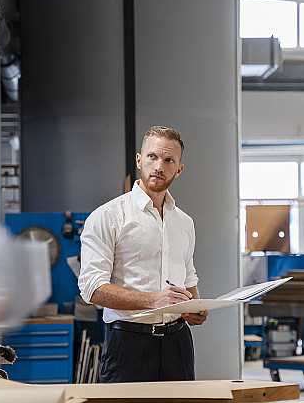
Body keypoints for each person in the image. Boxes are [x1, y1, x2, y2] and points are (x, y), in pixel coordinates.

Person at [78, 125, 207, 383]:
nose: (159, 166)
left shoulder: (184, 222)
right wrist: (153, 300)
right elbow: (91, 288)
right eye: (152, 156)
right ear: (139, 160)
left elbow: (188, 276)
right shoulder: (108, 216)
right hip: (128, 344)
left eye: (168, 160)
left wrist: (195, 307)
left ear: (179, 169)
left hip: (178, 343)